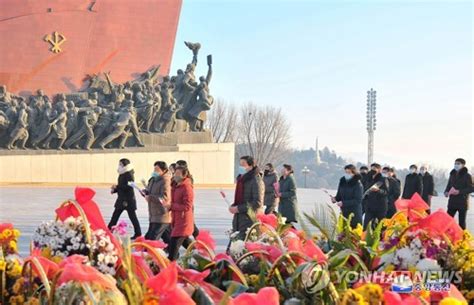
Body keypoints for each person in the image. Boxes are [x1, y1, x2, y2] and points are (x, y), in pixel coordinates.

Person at [228, 156, 264, 240]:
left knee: (244, 247)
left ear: (250, 166)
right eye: (240, 164)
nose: (241, 167)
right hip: (239, 219)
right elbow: (242, 199)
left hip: (249, 219)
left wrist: (238, 208)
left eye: (243, 164)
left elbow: (257, 202)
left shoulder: (256, 180)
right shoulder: (242, 180)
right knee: (235, 248)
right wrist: (233, 206)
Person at [108, 158, 142, 239]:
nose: (119, 165)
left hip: (128, 200)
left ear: (125, 165)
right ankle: (109, 231)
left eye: (120, 164)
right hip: (121, 199)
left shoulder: (129, 174)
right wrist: (115, 189)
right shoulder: (122, 173)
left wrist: (117, 187)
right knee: (115, 216)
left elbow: (129, 186)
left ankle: (138, 233)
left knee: (132, 217)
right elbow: (122, 186)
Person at [168, 166, 194, 260]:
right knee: (189, 245)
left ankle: (171, 269)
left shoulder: (187, 187)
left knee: (173, 250)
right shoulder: (175, 186)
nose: (175, 175)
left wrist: (172, 206)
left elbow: (187, 206)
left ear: (184, 175)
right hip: (176, 220)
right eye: (175, 173)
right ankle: (201, 256)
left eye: (178, 174)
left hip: (183, 222)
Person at [144, 161, 172, 242]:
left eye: (157, 169)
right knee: (169, 240)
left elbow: (165, 197)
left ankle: (148, 253)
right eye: (154, 169)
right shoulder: (153, 180)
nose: (154, 171)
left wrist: (151, 197)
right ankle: (174, 253)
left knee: (151, 240)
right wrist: (145, 192)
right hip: (154, 214)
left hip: (162, 215)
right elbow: (150, 191)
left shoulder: (165, 181)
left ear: (163, 171)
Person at [444, 158, 473, 230]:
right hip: (452, 202)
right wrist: (446, 192)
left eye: (458, 164)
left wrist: (459, 191)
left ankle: (462, 238)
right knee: (447, 221)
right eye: (455, 163)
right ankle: (448, 236)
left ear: (463, 165)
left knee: (461, 223)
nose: (456, 165)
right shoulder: (452, 174)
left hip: (462, 202)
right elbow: (448, 185)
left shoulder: (467, 176)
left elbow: (471, 188)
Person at [363, 163, 389, 229]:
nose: (373, 170)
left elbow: (386, 192)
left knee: (381, 226)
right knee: (366, 225)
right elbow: (365, 190)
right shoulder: (368, 179)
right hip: (370, 206)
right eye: (371, 169)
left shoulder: (383, 179)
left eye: (374, 169)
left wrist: (378, 190)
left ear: (379, 170)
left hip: (380, 206)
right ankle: (365, 238)